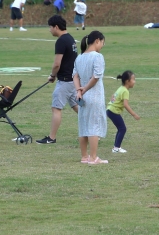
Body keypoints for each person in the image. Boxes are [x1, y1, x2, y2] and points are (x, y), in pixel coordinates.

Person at [36, 15, 79, 145]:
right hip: (73, 80)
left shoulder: (61, 41)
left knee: (56, 108)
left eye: (50, 27)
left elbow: (56, 64)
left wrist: (52, 75)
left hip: (65, 81)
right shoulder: (70, 38)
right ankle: (93, 131)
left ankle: (51, 138)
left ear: (56, 27)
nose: (49, 30)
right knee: (78, 107)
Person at [73, 31, 108, 165]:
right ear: (97, 41)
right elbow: (96, 76)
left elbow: (75, 76)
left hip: (82, 96)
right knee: (94, 126)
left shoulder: (79, 57)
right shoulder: (97, 57)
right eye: (102, 43)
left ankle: (84, 156)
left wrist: (79, 91)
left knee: (83, 126)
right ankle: (93, 157)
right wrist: (85, 88)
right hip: (94, 95)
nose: (102, 46)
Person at [106, 70, 140, 153]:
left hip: (110, 110)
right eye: (133, 79)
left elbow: (113, 96)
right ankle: (116, 148)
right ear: (127, 81)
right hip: (113, 111)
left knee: (120, 128)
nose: (134, 82)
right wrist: (134, 114)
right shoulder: (125, 91)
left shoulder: (121, 88)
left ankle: (116, 147)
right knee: (122, 128)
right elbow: (126, 104)